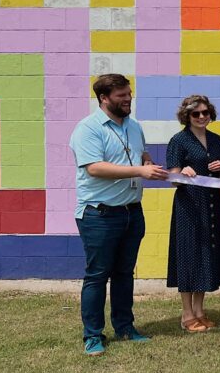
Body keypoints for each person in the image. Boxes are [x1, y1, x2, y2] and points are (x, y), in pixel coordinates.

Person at [69, 74, 168, 356]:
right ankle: (93, 335)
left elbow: (139, 153)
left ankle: (125, 327)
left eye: (129, 93)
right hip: (99, 215)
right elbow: (95, 168)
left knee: (125, 273)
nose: (128, 99)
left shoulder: (133, 126)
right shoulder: (87, 128)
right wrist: (140, 171)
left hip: (131, 212)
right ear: (103, 98)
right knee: (98, 275)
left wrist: (146, 160)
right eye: (121, 96)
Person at [165, 94, 220, 333]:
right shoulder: (179, 140)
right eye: (196, 113)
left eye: (205, 112)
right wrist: (182, 171)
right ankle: (187, 313)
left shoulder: (216, 140)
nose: (202, 117)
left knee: (206, 253)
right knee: (188, 253)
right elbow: (172, 178)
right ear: (187, 116)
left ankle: (201, 311)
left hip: (212, 203)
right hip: (188, 205)